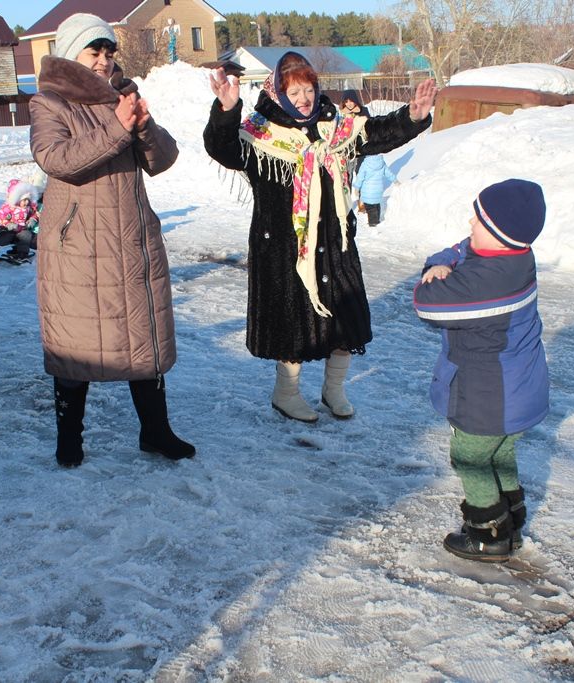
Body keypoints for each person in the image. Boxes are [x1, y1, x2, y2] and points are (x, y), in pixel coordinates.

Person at [205, 52, 436, 422]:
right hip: (285, 249)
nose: (303, 98)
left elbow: (376, 133)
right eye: (293, 91)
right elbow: (222, 147)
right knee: (293, 327)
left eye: (308, 89)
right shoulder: (260, 132)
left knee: (346, 322)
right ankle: (286, 393)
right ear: (279, 93)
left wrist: (414, 116)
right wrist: (227, 110)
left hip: (336, 244)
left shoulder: (336, 127)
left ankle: (334, 390)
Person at [29, 13, 194, 466]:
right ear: (70, 54)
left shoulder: (123, 96)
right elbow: (56, 157)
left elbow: (162, 159)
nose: (103, 60)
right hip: (79, 245)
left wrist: (142, 127)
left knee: (143, 339)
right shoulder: (49, 102)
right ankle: (69, 439)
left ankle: (156, 432)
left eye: (107, 51)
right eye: (93, 51)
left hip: (130, 237)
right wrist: (119, 127)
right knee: (75, 345)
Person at [413, 179, 549, 563]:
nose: (469, 222)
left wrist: (434, 269)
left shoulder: (485, 282)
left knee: (470, 459)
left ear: (499, 235)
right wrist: (451, 257)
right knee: (500, 456)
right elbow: (466, 247)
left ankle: (487, 533)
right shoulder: (517, 256)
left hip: (489, 396)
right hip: (518, 391)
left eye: (479, 220)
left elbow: (426, 303)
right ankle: (512, 522)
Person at [0, 178, 39, 258]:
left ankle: (22, 254)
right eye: (24, 200)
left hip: (22, 230)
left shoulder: (28, 208)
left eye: (28, 200)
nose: (26, 202)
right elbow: (1, 218)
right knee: (3, 238)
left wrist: (32, 219)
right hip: (9, 229)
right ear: (17, 199)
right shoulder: (7, 208)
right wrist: (8, 224)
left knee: (26, 236)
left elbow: (34, 214)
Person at [352, 153, 396, 227]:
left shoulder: (365, 163)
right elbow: (388, 173)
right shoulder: (381, 162)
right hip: (378, 191)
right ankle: (377, 220)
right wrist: (395, 181)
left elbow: (360, 177)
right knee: (377, 205)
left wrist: (357, 188)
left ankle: (373, 224)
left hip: (367, 192)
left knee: (370, 208)